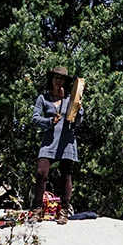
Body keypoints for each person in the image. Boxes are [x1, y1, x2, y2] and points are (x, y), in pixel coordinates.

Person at [31, 66, 82, 223]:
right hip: (49, 142)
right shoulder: (43, 98)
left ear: (65, 82)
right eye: (56, 77)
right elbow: (35, 118)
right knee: (41, 173)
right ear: (51, 79)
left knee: (66, 176)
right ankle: (37, 209)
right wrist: (49, 122)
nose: (58, 80)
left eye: (61, 78)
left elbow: (77, 122)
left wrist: (79, 109)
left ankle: (64, 210)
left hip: (66, 141)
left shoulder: (70, 99)